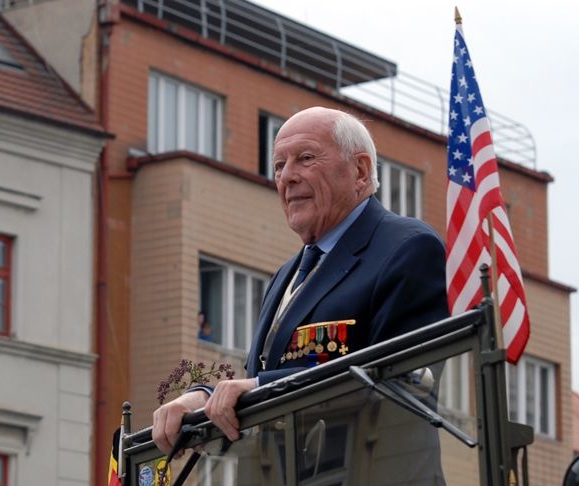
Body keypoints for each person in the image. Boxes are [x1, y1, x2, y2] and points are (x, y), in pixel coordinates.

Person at [152, 106, 449, 454]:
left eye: (305, 158)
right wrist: (203, 403)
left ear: (360, 170)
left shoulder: (406, 248)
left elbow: (400, 382)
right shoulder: (286, 276)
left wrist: (260, 388)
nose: (287, 177)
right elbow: (270, 384)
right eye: (279, 165)